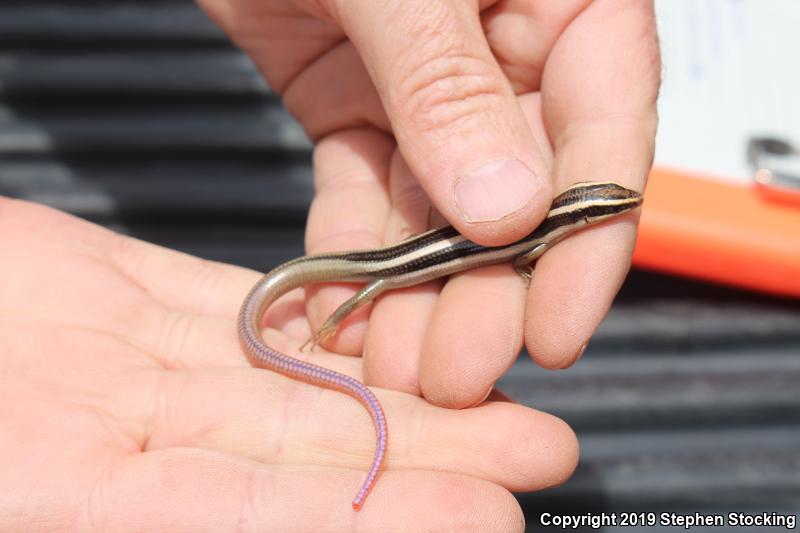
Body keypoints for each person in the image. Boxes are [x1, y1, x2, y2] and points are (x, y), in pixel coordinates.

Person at [0, 1, 660, 530]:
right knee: (371, 285)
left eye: (610, 208)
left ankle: (324, 321)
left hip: (400, 253)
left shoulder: (552, 220)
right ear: (583, 212)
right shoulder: (541, 225)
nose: (614, 209)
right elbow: (521, 250)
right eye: (608, 207)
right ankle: (334, 316)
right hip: (390, 265)